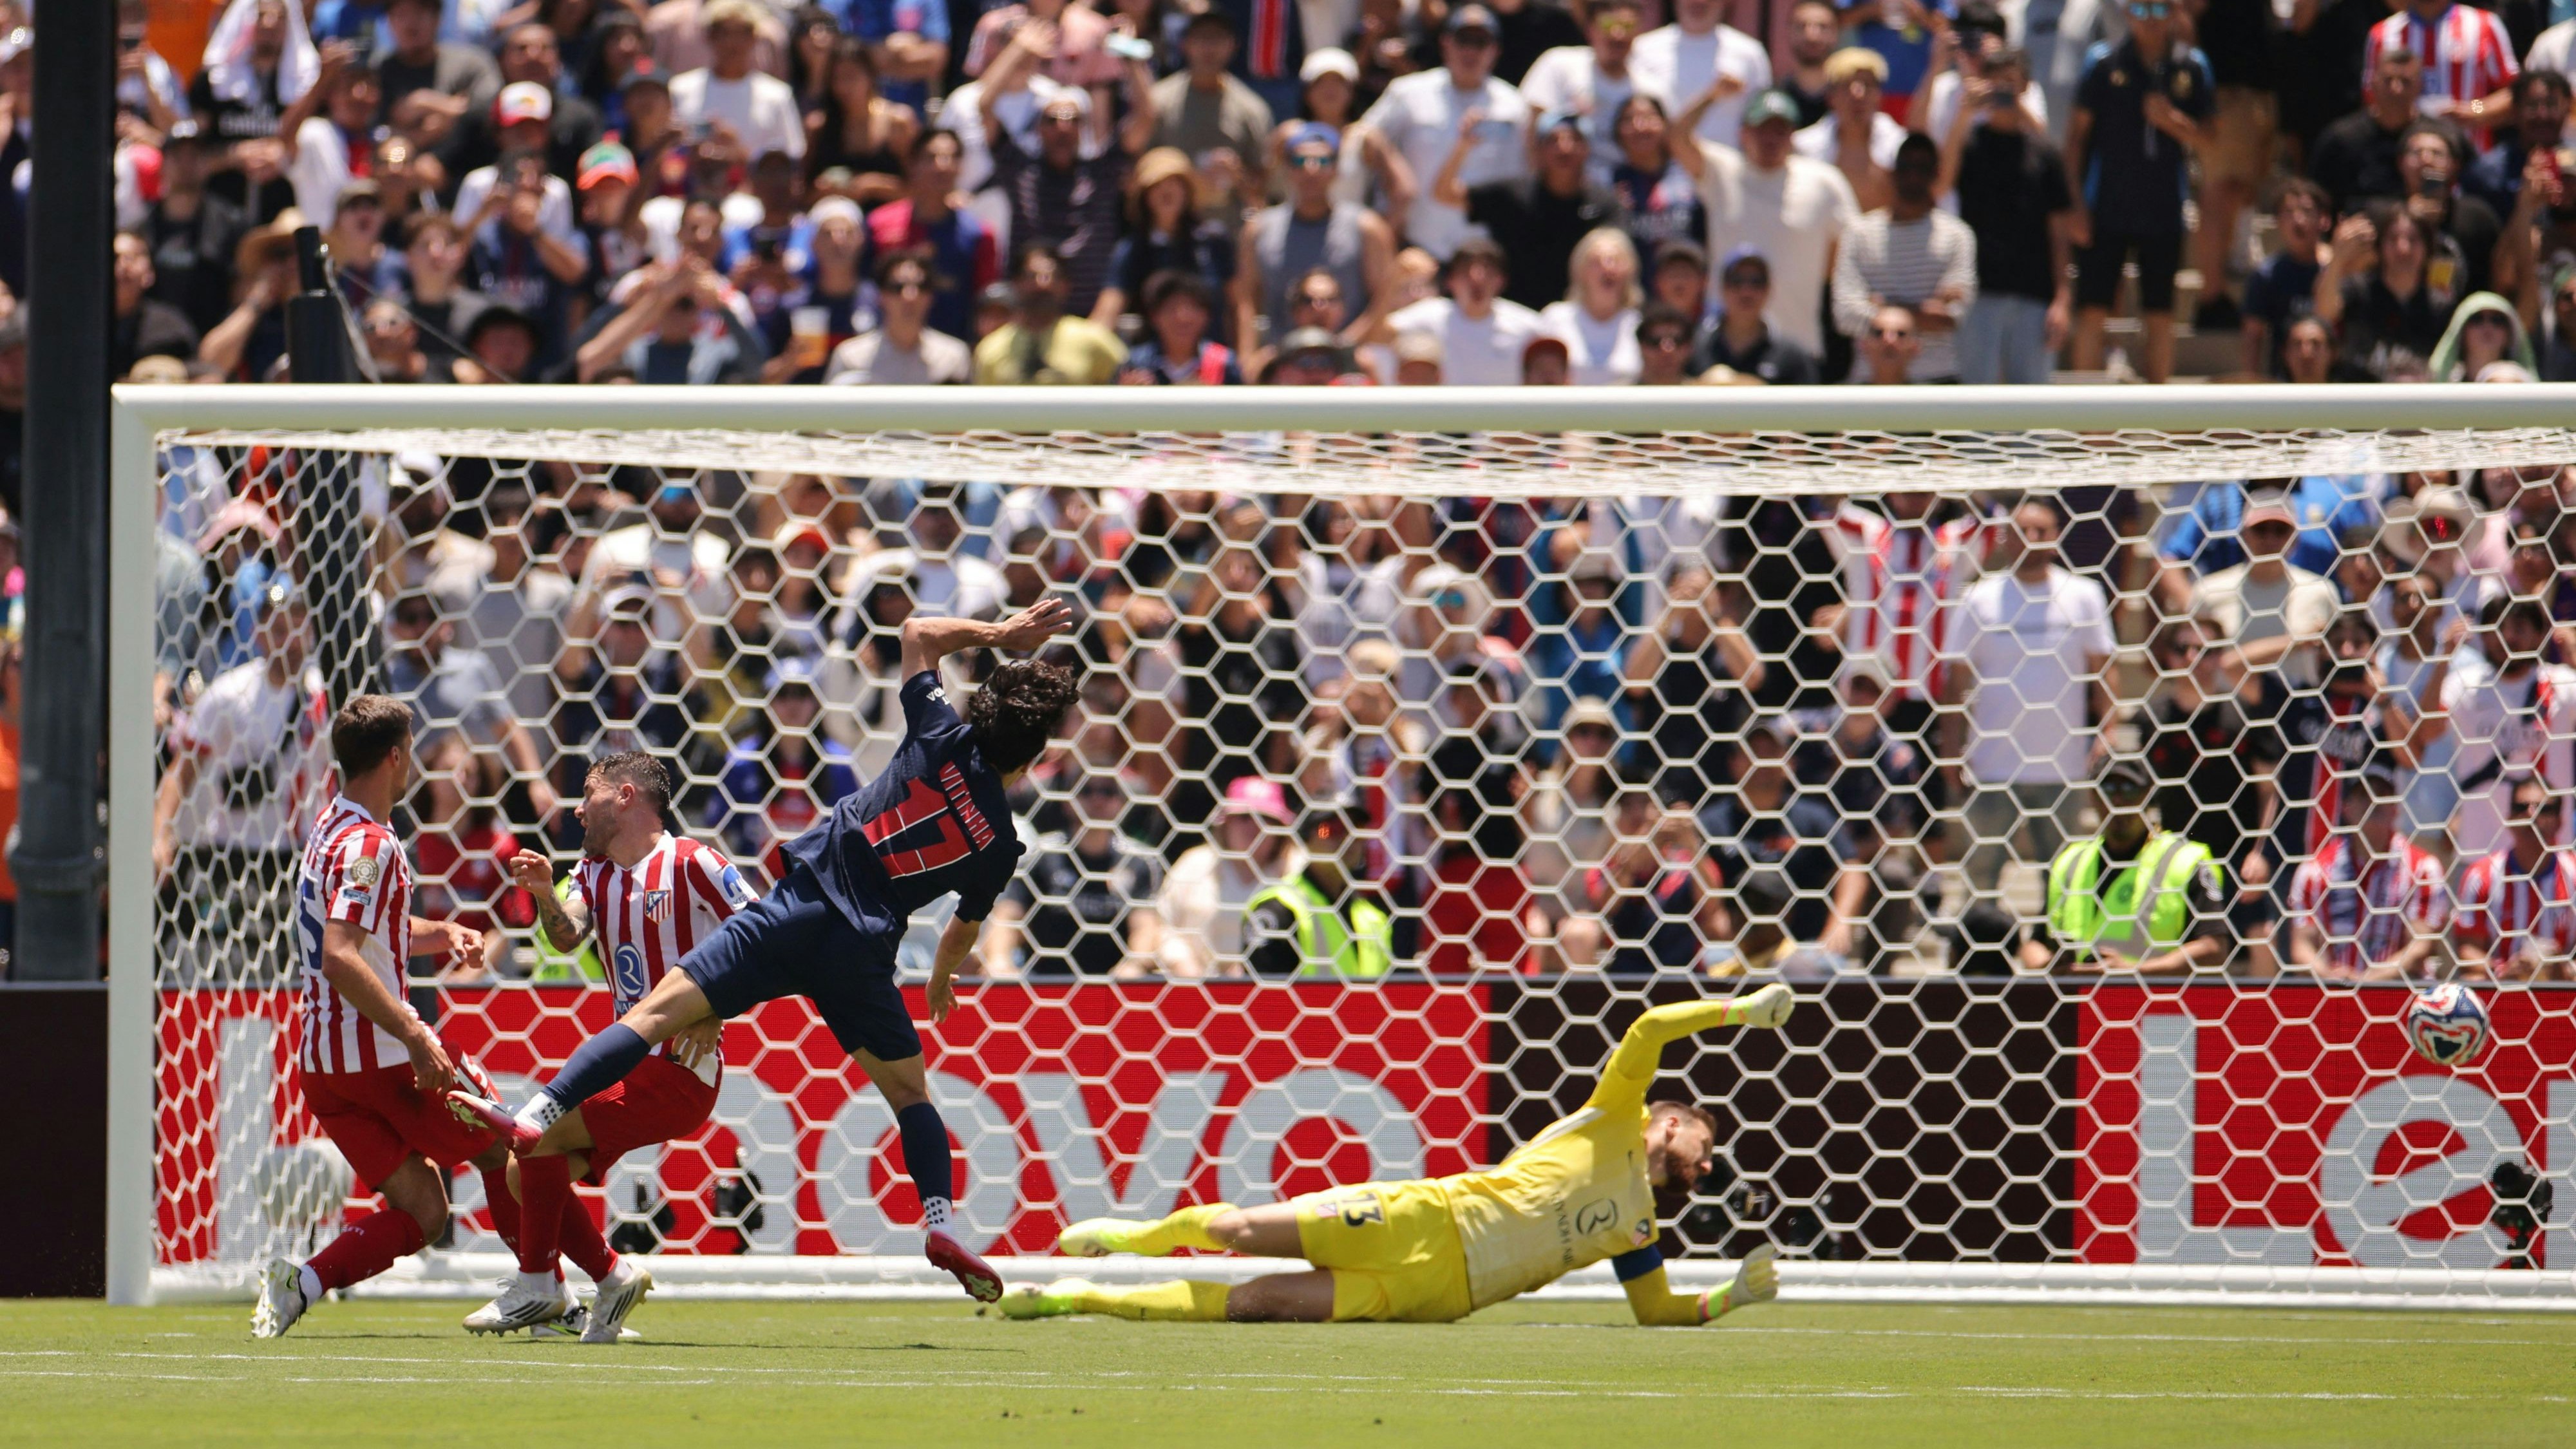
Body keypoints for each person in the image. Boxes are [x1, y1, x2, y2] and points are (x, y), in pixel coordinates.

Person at [449, 601, 1081, 1306]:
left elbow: (917, 633)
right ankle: (939, 1222)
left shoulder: (939, 730)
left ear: (982, 711)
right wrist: (938, 977)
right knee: (909, 1096)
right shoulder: (1000, 841)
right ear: (1033, 757)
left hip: (797, 908)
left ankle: (538, 1111)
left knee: (657, 1013)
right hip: (864, 950)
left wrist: (1000, 634)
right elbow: (965, 927)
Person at [996, 984, 1794, 1324]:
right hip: (1426, 1215)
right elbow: (1650, 1027)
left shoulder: (1640, 1231)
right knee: (1238, 1232)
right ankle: (1133, 1237)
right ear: (1671, 1122)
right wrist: (1741, 1012)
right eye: (1705, 1141)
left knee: (1258, 1305)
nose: (1708, 1160)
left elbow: (1656, 1313)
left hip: (1436, 1295)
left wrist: (1731, 1298)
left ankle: (1073, 1299)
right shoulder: (1615, 1112)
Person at [466, 752, 755, 1340]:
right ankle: (608, 1276)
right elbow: (567, 935)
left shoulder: (693, 862)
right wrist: (547, 894)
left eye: (589, 793)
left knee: (535, 1135)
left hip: (679, 1070)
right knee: (527, 1172)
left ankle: (538, 1286)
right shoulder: (594, 871)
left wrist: (719, 1005)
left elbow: (765, 934)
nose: (577, 808)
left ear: (625, 796)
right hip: (630, 1066)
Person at [251, 695, 508, 1338]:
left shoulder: (331, 827)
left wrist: (443, 932)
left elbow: (372, 934)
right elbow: (340, 955)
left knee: (424, 1210)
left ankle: (300, 1283)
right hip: (380, 1061)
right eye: (413, 750)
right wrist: (415, 1032)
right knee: (504, 1144)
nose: (416, 761)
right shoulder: (370, 845)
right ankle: (547, 1287)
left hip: (325, 1071)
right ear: (395, 757)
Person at [1945, 497, 2116, 907]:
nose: (2033, 539)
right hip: (1992, 765)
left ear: (2057, 538)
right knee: (1981, 875)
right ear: (2006, 539)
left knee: (2062, 876)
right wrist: (1950, 751)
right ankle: (1980, 958)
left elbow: (2104, 671)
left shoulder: (2084, 594)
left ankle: (2056, 958)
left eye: (2042, 531)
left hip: (2062, 765)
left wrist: (2107, 730)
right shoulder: (1978, 598)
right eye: (2023, 531)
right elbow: (1954, 683)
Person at [2064, 0, 2211, 384]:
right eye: (2141, 9)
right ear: (2127, 12)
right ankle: (2085, 425)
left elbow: (2211, 138)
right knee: (2093, 310)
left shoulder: (2191, 65)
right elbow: (2077, 139)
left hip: (2163, 210)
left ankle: (2158, 420)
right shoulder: (2103, 62)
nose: (2150, 20)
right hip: (2106, 207)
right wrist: (2076, 206)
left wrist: (2172, 121)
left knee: (2160, 314)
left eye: (2161, 10)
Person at [1681, 88, 1857, 361]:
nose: (1770, 139)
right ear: (1743, 133)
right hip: (1725, 348)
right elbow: (1676, 138)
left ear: (1793, 136)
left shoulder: (1824, 181)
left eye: (1780, 130)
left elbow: (1853, 249)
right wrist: (1713, 95)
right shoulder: (1721, 170)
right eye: (1762, 129)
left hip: (1798, 347)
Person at [2022, 757, 2229, 974]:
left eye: (2130, 790)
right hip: (2077, 1002)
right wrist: (2049, 968)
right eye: (2108, 789)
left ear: (2148, 794)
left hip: (2153, 1003)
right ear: (2093, 796)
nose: (2118, 800)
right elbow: (2034, 944)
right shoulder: (2071, 861)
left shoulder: (2184, 861)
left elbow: (2214, 949)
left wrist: (2133, 970)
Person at [1359, 4, 1531, 259]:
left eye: (1481, 42)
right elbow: (1362, 136)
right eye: (1463, 40)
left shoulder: (1515, 106)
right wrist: (1392, 167)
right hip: (1417, 246)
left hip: (1486, 254)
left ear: (1495, 50)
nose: (1470, 51)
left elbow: (1525, 177)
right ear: (1445, 43)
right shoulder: (1408, 92)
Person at [1942, 48, 2069, 386]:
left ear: (2026, 86)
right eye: (1994, 82)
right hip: (1978, 291)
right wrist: (1963, 114)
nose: (2002, 90)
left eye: (2010, 82)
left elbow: (2059, 231)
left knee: (2031, 411)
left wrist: (2062, 299)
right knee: (1976, 408)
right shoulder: (1968, 144)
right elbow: (1941, 184)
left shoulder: (2043, 151)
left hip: (2034, 294)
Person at [1236, 123, 1396, 363]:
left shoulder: (1367, 228)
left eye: (1322, 162)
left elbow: (1384, 300)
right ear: (1287, 169)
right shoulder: (1258, 229)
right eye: (1300, 162)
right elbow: (1247, 302)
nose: (1311, 170)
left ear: (1336, 169)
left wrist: (1339, 348)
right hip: (1282, 365)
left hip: (1349, 364)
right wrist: (1248, 359)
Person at [1831, 133, 1977, 384]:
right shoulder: (1859, 233)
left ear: (1936, 174)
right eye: (1906, 166)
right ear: (1892, 172)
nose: (1914, 175)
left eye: (1923, 167)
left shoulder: (1957, 236)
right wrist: (1923, 311)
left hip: (1937, 380)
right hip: (1869, 380)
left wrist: (1880, 308)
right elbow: (1845, 315)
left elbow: (1954, 316)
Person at [2285, 759, 2449, 981]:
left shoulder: (2423, 869)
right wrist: (2331, 977)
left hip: (2397, 993)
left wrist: (2368, 980)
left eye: (2382, 794)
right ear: (2347, 809)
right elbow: (2301, 946)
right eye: (2364, 796)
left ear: (2396, 808)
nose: (2373, 802)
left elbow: (2420, 946)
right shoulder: (2315, 872)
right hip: (2335, 995)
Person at [1452, 107, 1625, 312]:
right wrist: (1464, 145)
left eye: (1575, 139)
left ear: (1588, 149)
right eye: (1553, 140)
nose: (1564, 148)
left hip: (1578, 318)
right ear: (1539, 149)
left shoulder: (1604, 204)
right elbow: (1445, 193)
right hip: (1515, 316)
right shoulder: (1513, 195)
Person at [1242, 800, 1394, 978]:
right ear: (1307, 839)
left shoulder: (1374, 919)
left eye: (1356, 829)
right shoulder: (1279, 909)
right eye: (1330, 830)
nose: (1347, 839)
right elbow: (1265, 999)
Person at [1148, 10, 1274, 218]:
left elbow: (1263, 189)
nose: (1209, 48)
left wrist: (1237, 175)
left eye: (1217, 39)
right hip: (1172, 227)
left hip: (1229, 229)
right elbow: (1139, 171)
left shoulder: (1253, 109)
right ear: (1185, 45)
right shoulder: (1158, 101)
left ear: (1233, 46)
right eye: (1201, 38)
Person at [2453, 773, 2576, 981]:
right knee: (2470, 980)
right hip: (2502, 989)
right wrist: (2504, 970)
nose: (2532, 815)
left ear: (2560, 822)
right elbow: (2467, 950)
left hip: (2563, 991)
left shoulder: (2572, 874)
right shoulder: (2481, 875)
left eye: (2544, 809)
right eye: (2522, 808)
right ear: (2509, 818)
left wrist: (2564, 969)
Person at [1385, 236, 1547, 386]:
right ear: (1450, 281)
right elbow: (1374, 337)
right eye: (1466, 269)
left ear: (1501, 281)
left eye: (1488, 269)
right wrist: (1394, 278)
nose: (1477, 277)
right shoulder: (1430, 314)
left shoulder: (1528, 326)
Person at [1517, 0, 1643, 178]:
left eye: (1627, 25)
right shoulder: (1559, 64)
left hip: (1624, 194)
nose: (1617, 34)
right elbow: (1531, 126)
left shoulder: (1650, 87)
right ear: (1589, 29)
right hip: (1563, 191)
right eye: (1607, 24)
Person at [975, 242, 1130, 384]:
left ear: (1066, 285)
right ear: (1016, 283)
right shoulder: (991, 349)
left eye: (1051, 276)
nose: (1042, 284)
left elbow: (1126, 383)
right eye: (1031, 276)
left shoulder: (1094, 340)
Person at [670, 0, 805, 162]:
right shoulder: (679, 89)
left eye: (742, 33)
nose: (732, 43)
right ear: (709, 37)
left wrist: (738, 152)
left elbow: (791, 158)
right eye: (723, 33)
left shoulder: (777, 95)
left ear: (754, 38)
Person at [2360, 0, 2515, 137]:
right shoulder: (2382, 34)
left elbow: (2513, 91)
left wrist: (2475, 108)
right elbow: (2371, 99)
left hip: (2470, 156)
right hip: (2404, 157)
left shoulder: (2484, 25)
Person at [1627, 0, 1770, 149]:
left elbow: (1761, 119)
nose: (1698, 3)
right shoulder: (1643, 49)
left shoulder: (1750, 52)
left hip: (1729, 167)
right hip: (1664, 169)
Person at [2309, 44, 2425, 217]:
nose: (2396, 89)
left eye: (2405, 82)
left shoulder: (2438, 134)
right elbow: (2316, 198)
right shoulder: (2341, 139)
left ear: (2419, 87)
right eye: (2388, 80)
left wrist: (2476, 109)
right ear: (2372, 83)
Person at [826, 248, 974, 384]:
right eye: (897, 287)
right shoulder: (851, 358)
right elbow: (828, 411)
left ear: (931, 297)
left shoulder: (954, 357)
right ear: (881, 296)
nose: (910, 296)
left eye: (921, 286)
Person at [1794, 48, 1902, 213]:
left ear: (1879, 96)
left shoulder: (1901, 146)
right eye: (1846, 85)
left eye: (1867, 85)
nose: (1858, 95)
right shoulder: (1802, 147)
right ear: (1831, 97)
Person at [2240, 180, 2329, 379]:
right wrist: (2250, 383)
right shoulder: (2266, 276)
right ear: (2278, 222)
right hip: (2284, 383)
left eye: (2307, 211)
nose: (2298, 220)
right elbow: (2253, 336)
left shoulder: (2337, 270)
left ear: (2324, 219)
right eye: (2289, 212)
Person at [1690, 245, 1818, 382]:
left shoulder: (1792, 357)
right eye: (1736, 281)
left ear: (1769, 290)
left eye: (1757, 282)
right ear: (1721, 288)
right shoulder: (1694, 349)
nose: (1746, 292)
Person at [1540, 227, 1643, 384]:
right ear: (1580, 270)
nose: (1608, 268)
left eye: (1616, 260)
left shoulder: (1639, 323)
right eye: (1597, 262)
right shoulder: (1555, 319)